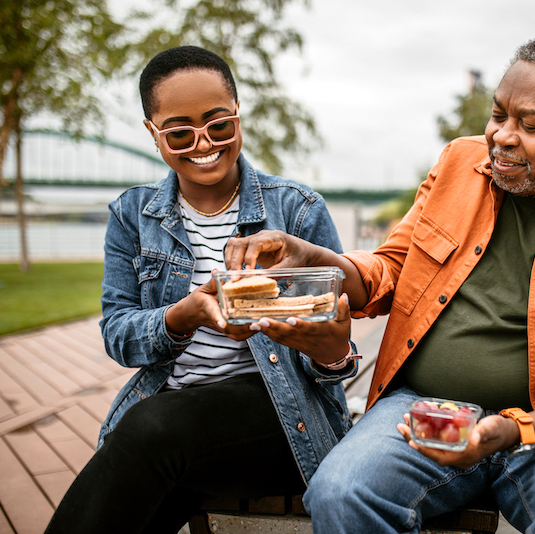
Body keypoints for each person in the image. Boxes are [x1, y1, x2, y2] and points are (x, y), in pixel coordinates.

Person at [224, 33, 535, 533]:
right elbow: (391, 270)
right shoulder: (457, 166)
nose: (503, 136)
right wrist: (323, 263)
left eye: (530, 124)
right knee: (341, 493)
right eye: (498, 114)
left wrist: (515, 429)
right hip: (422, 410)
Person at [45, 45, 357, 534]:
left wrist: (331, 351)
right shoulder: (131, 215)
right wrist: (183, 315)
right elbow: (118, 336)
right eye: (179, 131)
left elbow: (334, 358)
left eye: (218, 125)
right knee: (154, 469)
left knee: (152, 433)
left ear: (238, 117)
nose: (202, 142)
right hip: (177, 418)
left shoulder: (297, 210)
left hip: (282, 420)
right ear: (153, 133)